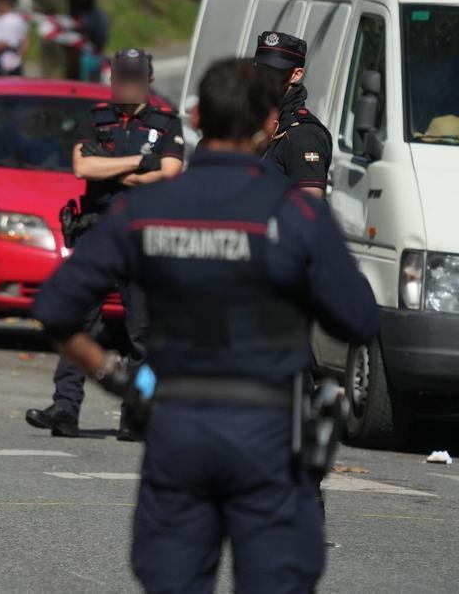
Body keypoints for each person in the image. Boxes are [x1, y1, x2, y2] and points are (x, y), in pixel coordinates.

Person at [32, 58, 379, 592]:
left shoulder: (148, 208)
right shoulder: (295, 214)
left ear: (195, 117)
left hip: (179, 428)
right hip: (269, 434)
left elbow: (56, 305)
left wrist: (118, 375)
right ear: (269, 123)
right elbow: (357, 316)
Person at [25, 48, 182, 440]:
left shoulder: (166, 122)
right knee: (77, 321)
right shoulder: (95, 118)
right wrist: (139, 163)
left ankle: (138, 412)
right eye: (120, 78)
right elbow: (83, 166)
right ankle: (65, 406)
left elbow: (169, 174)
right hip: (96, 232)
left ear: (148, 80)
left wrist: (111, 167)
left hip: (143, 237)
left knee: (142, 330)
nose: (126, 85)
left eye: (134, 78)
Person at [253, 31, 332, 198]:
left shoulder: (304, 135)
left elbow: (310, 208)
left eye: (274, 71)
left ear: (296, 75)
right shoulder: (252, 119)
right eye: (261, 68)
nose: (265, 77)